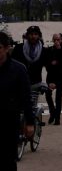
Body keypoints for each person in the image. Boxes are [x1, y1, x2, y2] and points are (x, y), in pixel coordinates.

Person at [0, 32, 34, 171]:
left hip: (9, 121)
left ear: (7, 48)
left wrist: (30, 122)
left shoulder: (18, 69)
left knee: (8, 160)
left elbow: (26, 97)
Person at [45, 33, 62, 125]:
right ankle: (52, 112)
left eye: (58, 39)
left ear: (61, 40)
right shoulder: (49, 50)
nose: (56, 41)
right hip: (51, 75)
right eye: (54, 39)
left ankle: (57, 118)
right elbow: (47, 62)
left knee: (58, 98)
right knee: (48, 95)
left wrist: (57, 60)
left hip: (60, 76)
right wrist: (53, 63)